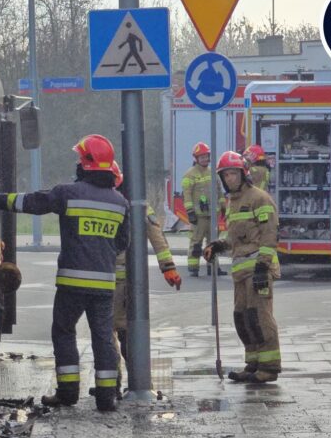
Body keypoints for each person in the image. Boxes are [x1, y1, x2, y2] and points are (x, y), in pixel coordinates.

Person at [0, 135, 129, 411]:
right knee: (104, 337)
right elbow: (122, 243)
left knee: (64, 331)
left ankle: (68, 392)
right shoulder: (120, 202)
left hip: (72, 284)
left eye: (79, 159)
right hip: (105, 285)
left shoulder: (68, 193)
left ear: (86, 163)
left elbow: (30, 202)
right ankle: (107, 397)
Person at [203, 151, 282, 383]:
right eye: (225, 175)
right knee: (243, 318)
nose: (229, 178)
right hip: (240, 272)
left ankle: (269, 367)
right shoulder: (233, 203)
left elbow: (269, 234)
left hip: (258, 270)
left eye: (233, 174)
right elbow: (235, 238)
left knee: (260, 318)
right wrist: (219, 245)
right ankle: (253, 364)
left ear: (242, 173)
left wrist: (262, 267)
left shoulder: (259, 198)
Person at [110, 161, 181, 397]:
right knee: (114, 333)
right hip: (110, 278)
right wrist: (168, 267)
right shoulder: (133, 204)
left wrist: (168, 266)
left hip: (118, 280)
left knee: (116, 332)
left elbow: (155, 235)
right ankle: (121, 381)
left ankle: (123, 382)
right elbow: (157, 234)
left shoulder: (132, 205)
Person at [181, 142, 226, 277]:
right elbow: (187, 194)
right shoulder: (190, 175)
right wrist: (190, 212)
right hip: (199, 216)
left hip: (212, 215)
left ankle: (213, 267)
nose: (205, 159)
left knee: (213, 243)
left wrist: (223, 207)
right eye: (202, 157)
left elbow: (219, 191)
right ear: (196, 158)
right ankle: (193, 268)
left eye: (206, 156)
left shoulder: (213, 173)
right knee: (196, 242)